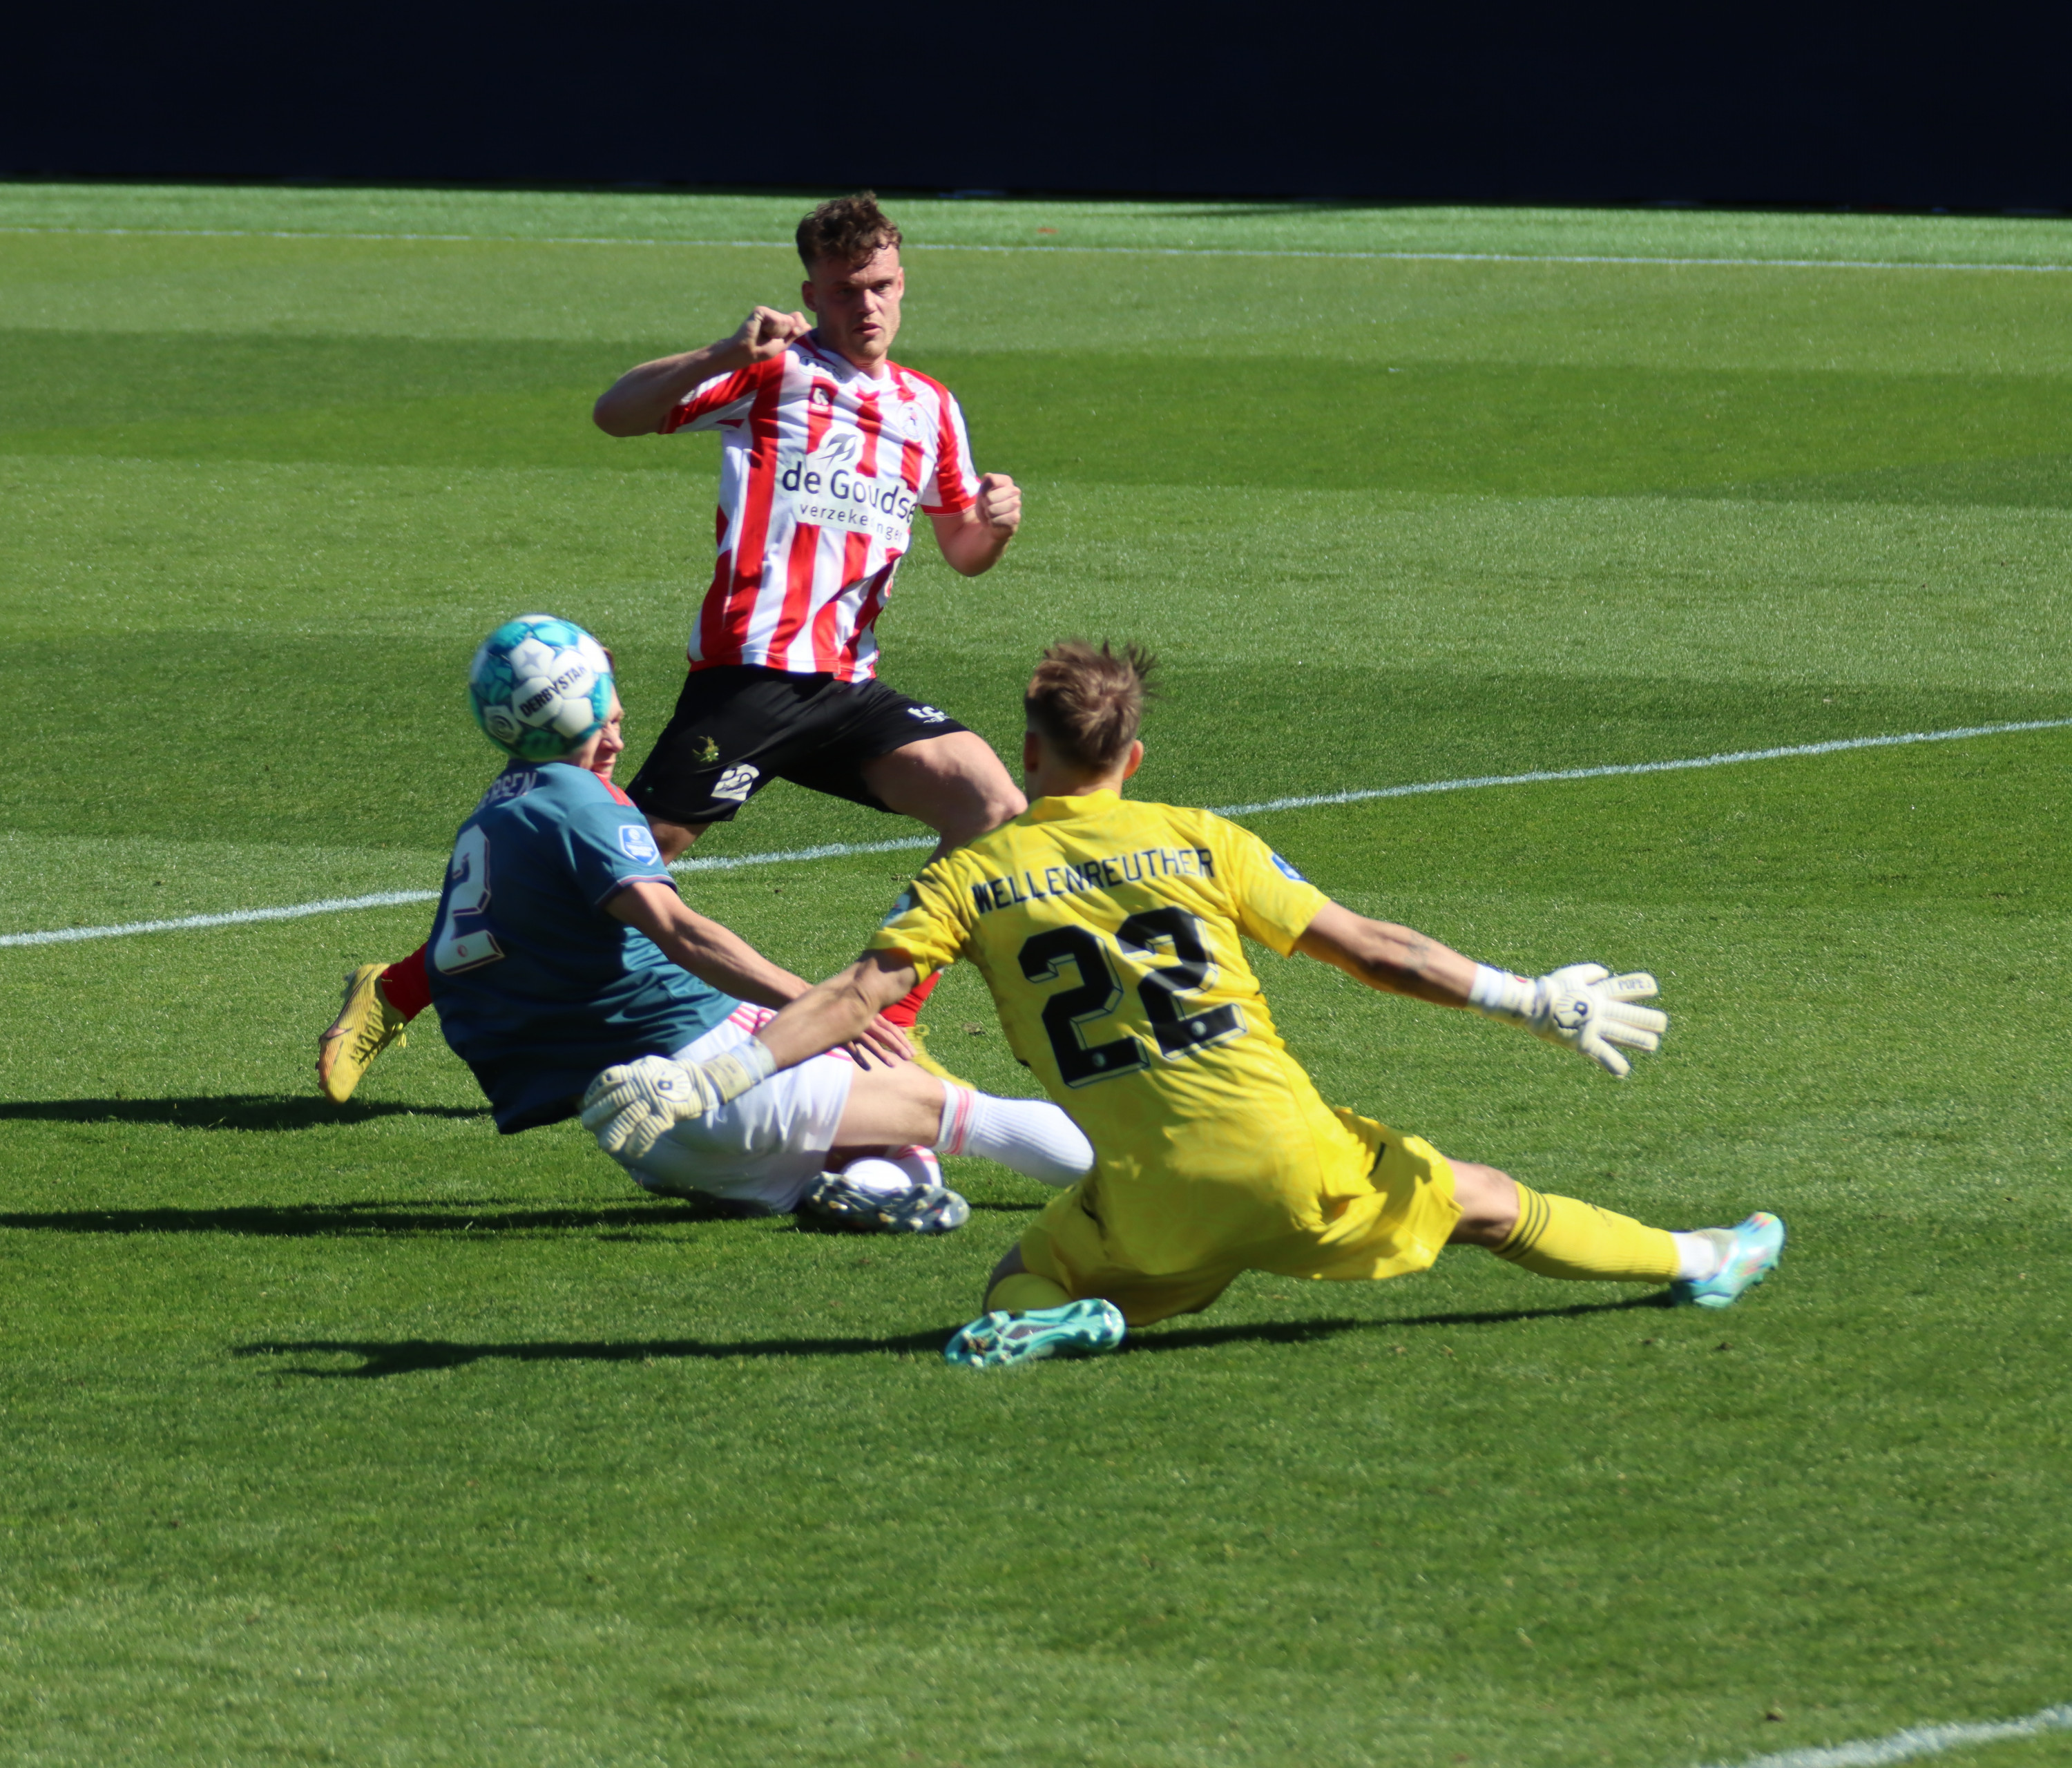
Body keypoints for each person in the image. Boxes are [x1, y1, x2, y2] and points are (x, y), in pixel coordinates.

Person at [583, 640, 1785, 1365]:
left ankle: (1072, 1321)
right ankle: (1703, 1255)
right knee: (1483, 1202)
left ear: (1030, 754)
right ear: (1134, 760)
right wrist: (1532, 999)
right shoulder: (1197, 839)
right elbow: (1374, 951)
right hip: (1295, 1168)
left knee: (1027, 1268)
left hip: (1148, 1210)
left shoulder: (969, 875)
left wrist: (714, 1075)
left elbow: (858, 997)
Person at [320, 190, 1024, 1103]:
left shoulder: (931, 407)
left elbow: (966, 550)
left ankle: (884, 1020)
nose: (869, 306)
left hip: (849, 688)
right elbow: (614, 414)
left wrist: (998, 522)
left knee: (996, 807)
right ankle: (397, 988)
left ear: (903, 280)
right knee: (617, 863)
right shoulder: (774, 373)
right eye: (847, 290)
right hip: (751, 679)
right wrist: (727, 351)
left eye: (883, 285)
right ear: (812, 290)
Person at [423, 618, 1095, 1233]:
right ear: (583, 710)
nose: (619, 739)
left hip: (641, 1125)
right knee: (958, 1112)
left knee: (885, 1142)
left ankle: (870, 1191)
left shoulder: (487, 821)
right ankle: (1158, 1175)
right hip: (707, 1071)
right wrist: (827, 1008)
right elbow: (681, 933)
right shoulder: (583, 802)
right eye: (610, 720)